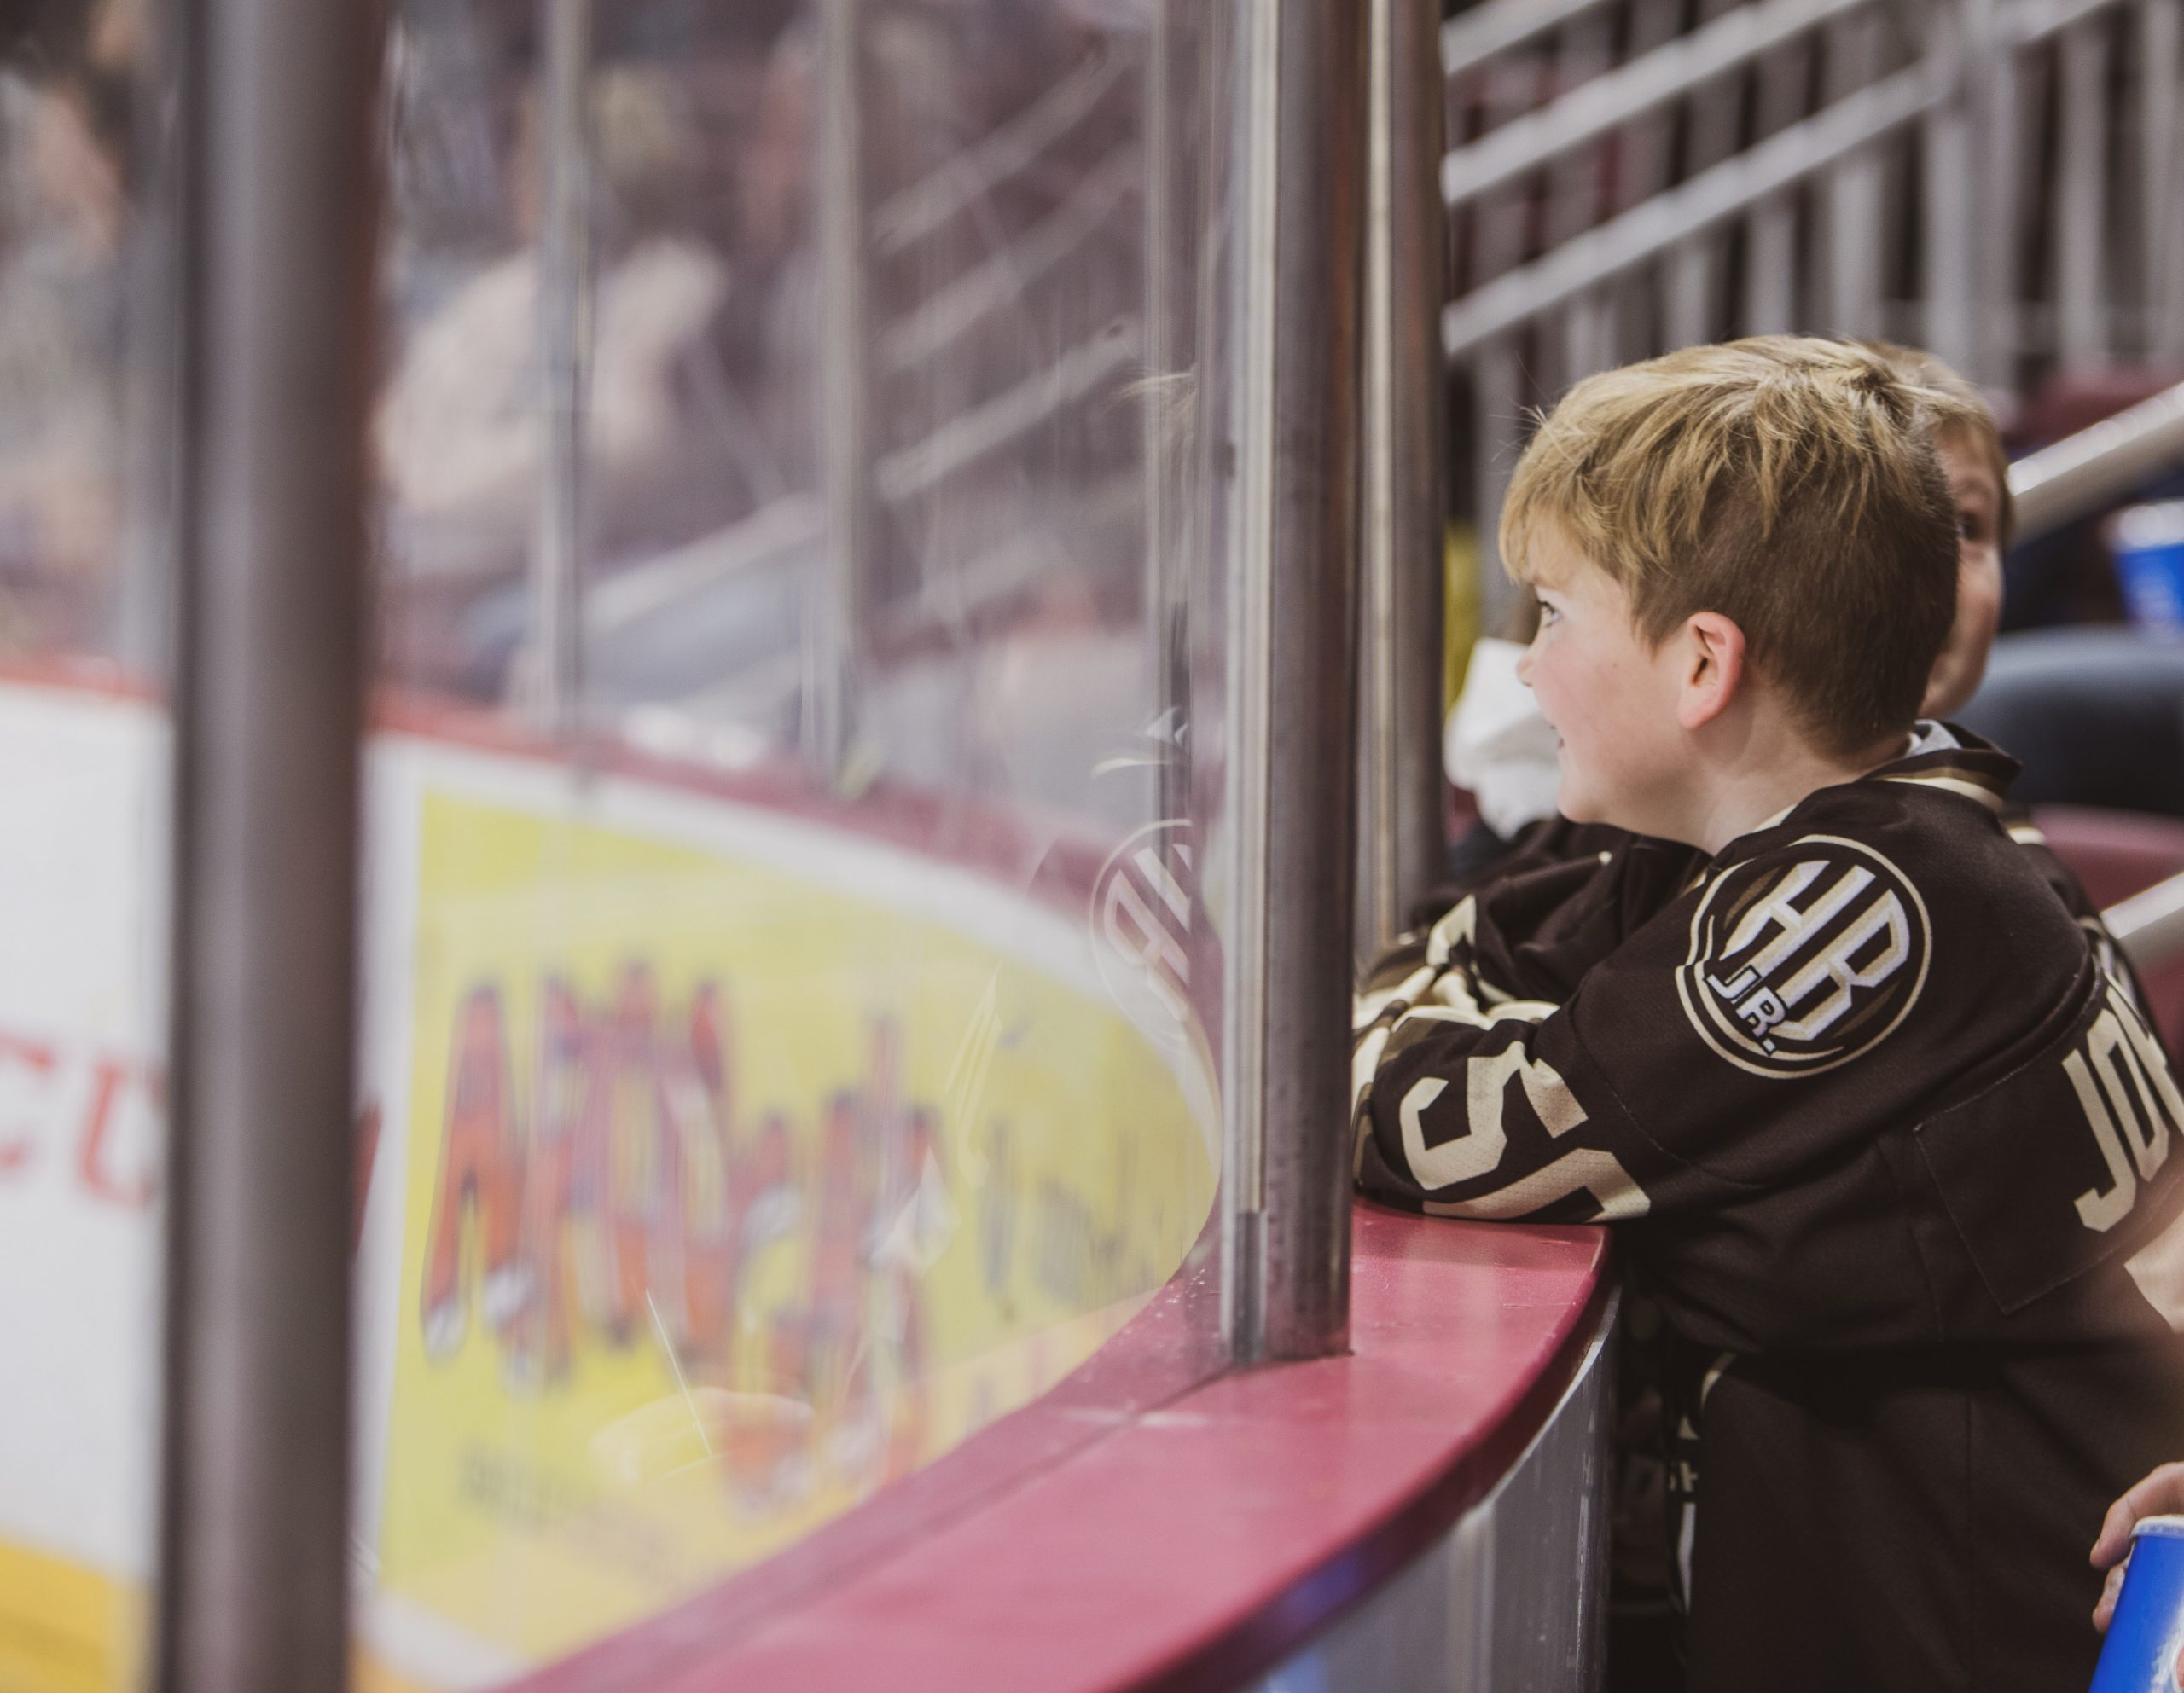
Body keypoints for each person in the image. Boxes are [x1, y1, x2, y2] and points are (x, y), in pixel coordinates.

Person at [1352, 336, 2184, 1693]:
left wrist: (1387, 1032)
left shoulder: (1873, 898)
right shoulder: (1842, 834)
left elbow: (1445, 1132)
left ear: (1702, 666)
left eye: (1556, 616)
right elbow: (1474, 939)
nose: (1527, 673)